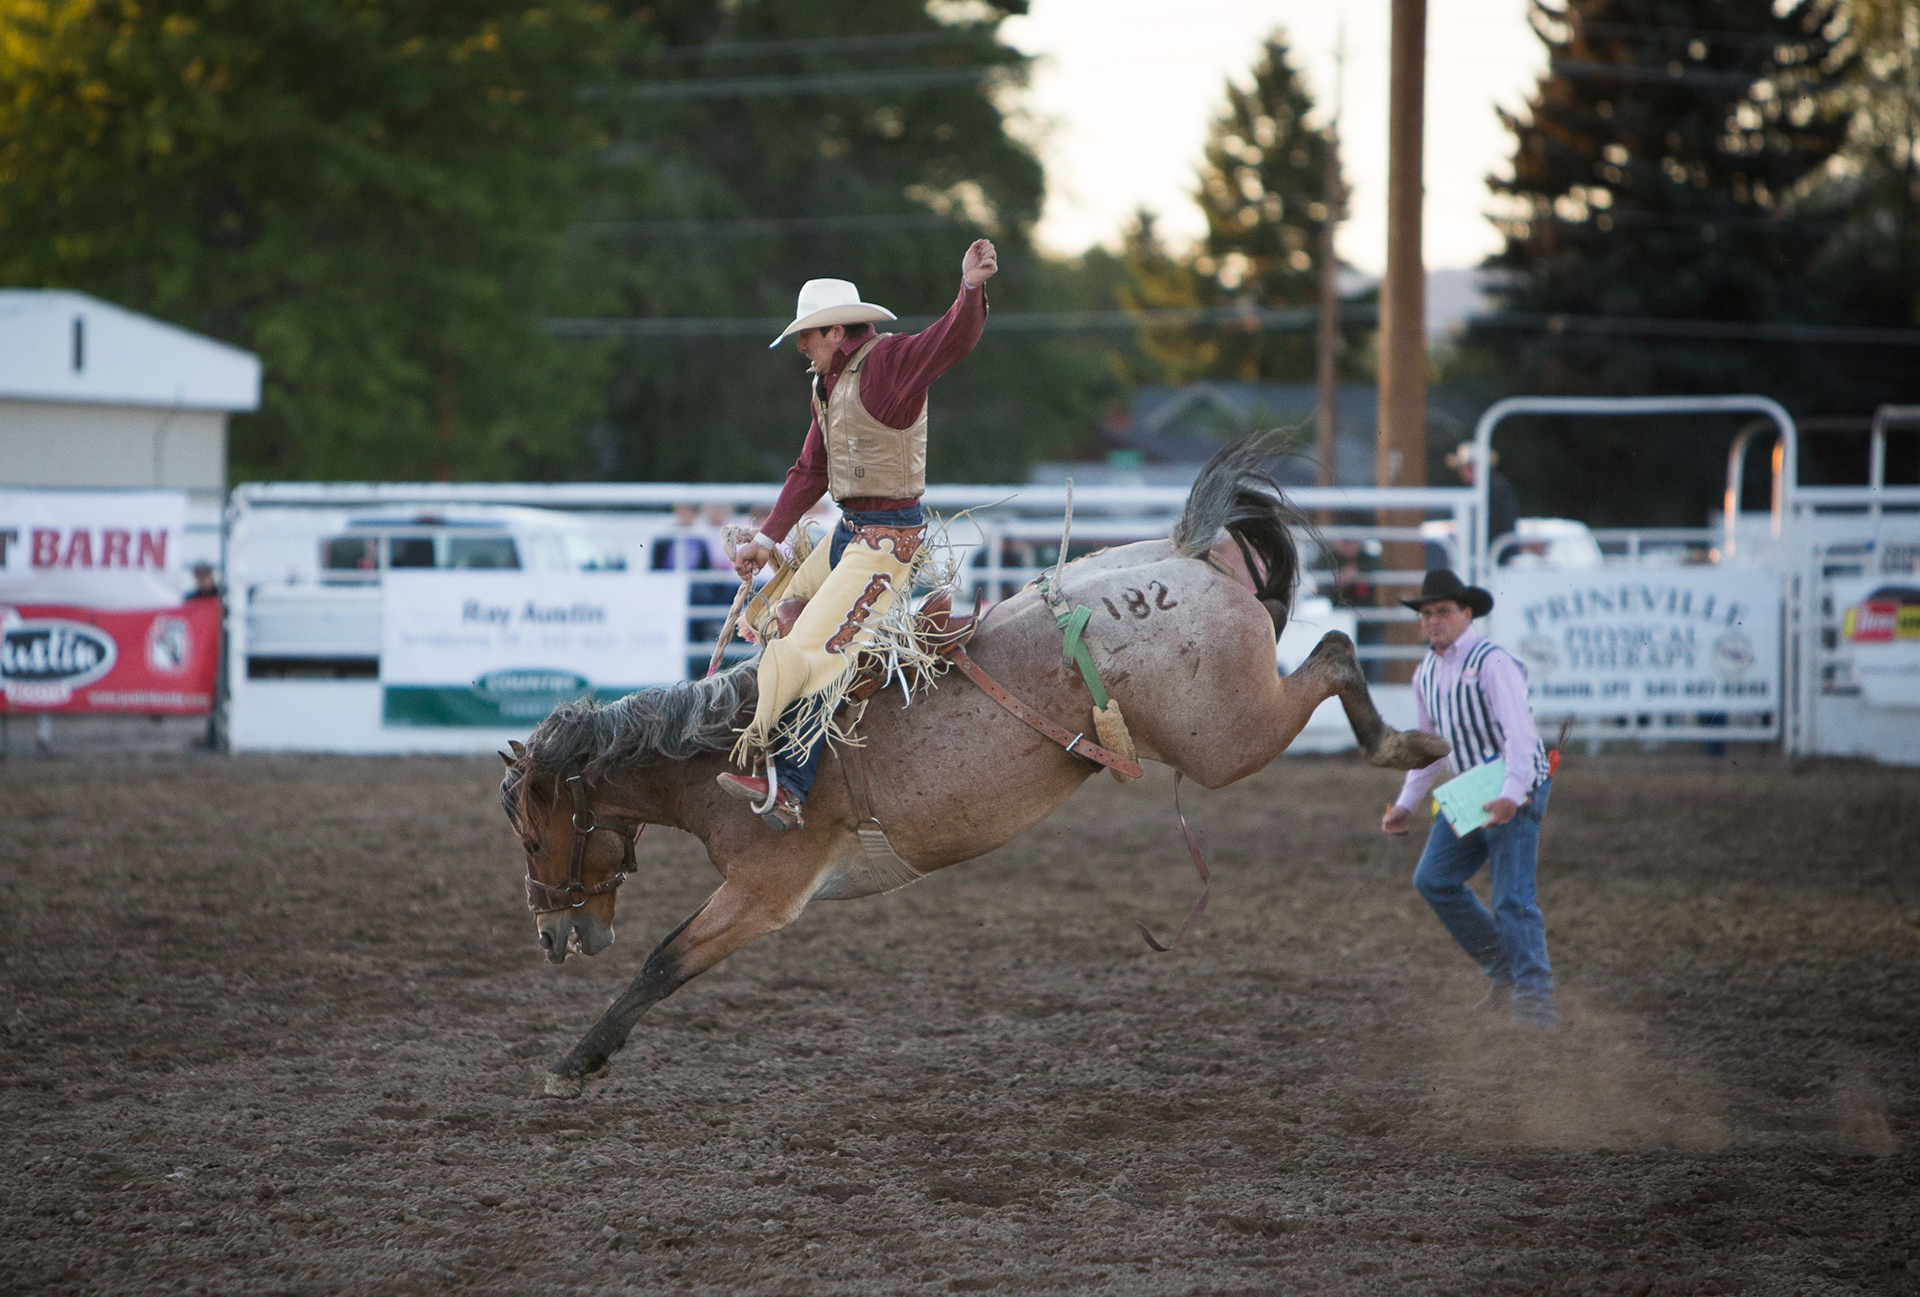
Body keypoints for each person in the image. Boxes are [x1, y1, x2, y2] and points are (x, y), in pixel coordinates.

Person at [719, 239, 998, 830]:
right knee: (780, 610)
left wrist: (969, 291)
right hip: (852, 532)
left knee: (813, 649)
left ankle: (790, 785)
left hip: (886, 542)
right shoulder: (828, 385)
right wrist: (767, 540)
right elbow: (810, 469)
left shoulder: (890, 363)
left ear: (837, 333)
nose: (801, 348)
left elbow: (950, 339)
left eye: (807, 336)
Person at [1381, 569, 1557, 1029]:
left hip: (1512, 786)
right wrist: (1406, 804)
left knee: (1512, 900)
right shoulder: (1426, 675)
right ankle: (1505, 969)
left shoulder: (1492, 662)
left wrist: (1511, 795)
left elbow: (1520, 737)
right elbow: (1429, 747)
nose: (1433, 621)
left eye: (1442, 612)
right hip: (1472, 790)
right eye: (1426, 614)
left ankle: (1535, 1002)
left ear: (1466, 614)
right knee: (1433, 880)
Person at [1446, 442, 1520, 556]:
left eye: (1470, 467)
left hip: (1495, 557)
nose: (1463, 472)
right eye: (1462, 467)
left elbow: (1499, 527)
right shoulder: (1479, 489)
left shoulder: (1496, 489)